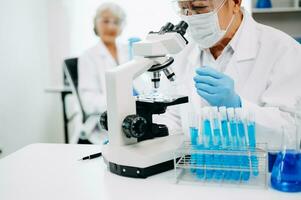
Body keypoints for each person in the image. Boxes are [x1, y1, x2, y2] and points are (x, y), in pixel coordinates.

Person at [159, 0, 301, 150]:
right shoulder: (182, 52)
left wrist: (239, 106)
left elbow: (292, 132)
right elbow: (172, 117)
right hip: (195, 168)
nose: (191, 17)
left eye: (200, 7)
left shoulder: (283, 50)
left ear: (235, 3)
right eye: (184, 9)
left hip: (258, 171)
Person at [76, 3, 128, 144]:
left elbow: (143, 88)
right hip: (102, 130)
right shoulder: (88, 56)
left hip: (129, 122)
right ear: (96, 24)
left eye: (116, 22)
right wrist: (122, 101)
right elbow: (89, 102)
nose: (111, 27)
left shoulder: (128, 51)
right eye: (105, 21)